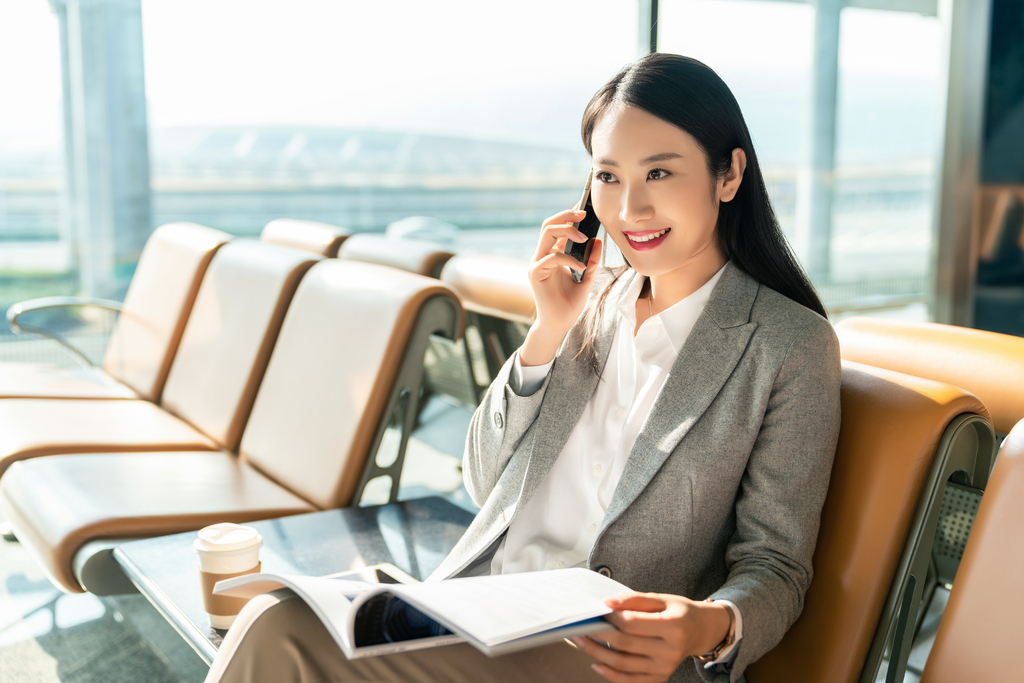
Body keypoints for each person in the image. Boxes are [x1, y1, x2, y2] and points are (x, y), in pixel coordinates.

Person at [204, 53, 841, 683]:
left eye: (660, 173)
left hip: (603, 652)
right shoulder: (591, 305)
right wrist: (547, 330)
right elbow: (483, 483)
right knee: (273, 616)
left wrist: (706, 626)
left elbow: (776, 565)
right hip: (484, 611)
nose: (628, 211)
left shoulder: (789, 345)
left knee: (276, 633)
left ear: (728, 174)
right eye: (609, 177)